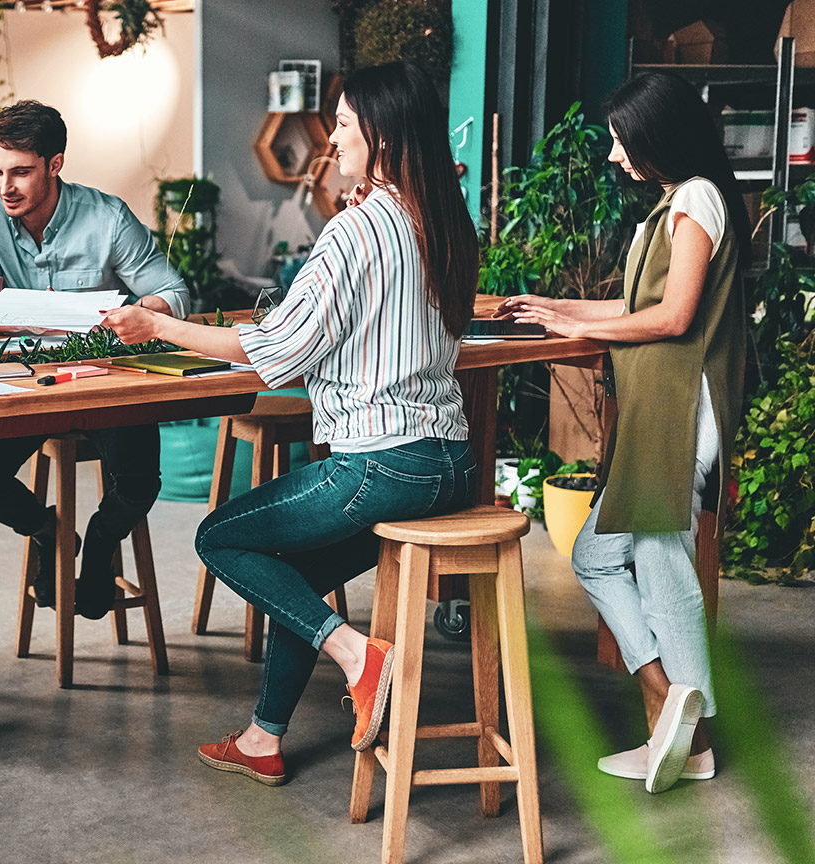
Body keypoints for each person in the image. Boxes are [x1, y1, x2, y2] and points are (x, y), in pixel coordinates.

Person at [101, 61, 479, 785]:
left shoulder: (356, 232)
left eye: (342, 123)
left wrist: (154, 325)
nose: (333, 139)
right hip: (452, 467)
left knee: (221, 537)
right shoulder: (447, 220)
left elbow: (272, 353)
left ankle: (358, 656)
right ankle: (262, 738)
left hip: (381, 466)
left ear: (383, 134)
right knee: (294, 576)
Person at [497, 71, 747, 793]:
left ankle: (686, 729)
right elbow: (642, 304)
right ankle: (670, 714)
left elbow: (675, 318)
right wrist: (557, 305)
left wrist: (576, 323)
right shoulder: (676, 203)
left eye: (620, 141)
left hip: (678, 415)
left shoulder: (697, 198)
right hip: (656, 413)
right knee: (598, 556)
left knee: (662, 564)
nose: (613, 156)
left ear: (656, 137)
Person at [0, 100, 190, 620]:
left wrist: (141, 313)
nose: (5, 186)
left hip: (103, 380)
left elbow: (174, 291)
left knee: (139, 483)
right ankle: (50, 531)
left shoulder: (106, 216)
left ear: (54, 164)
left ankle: (100, 545)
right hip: (26, 384)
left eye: (20, 172)